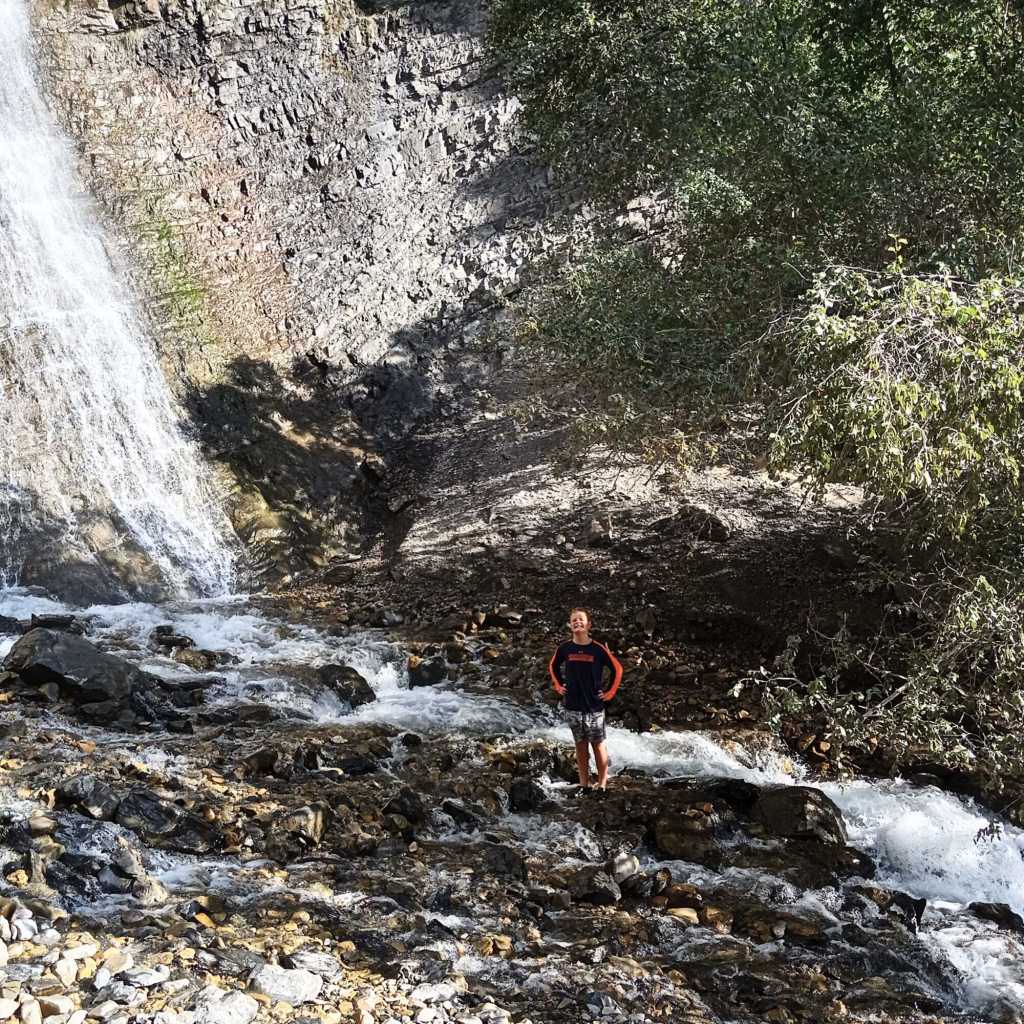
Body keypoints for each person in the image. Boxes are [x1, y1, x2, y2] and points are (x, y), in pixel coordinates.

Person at [548, 607, 623, 795]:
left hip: (594, 706)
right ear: (570, 625)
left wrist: (610, 693)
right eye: (574, 620)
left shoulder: (598, 649)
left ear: (588, 624)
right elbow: (553, 666)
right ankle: (584, 784)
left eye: (581, 619)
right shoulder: (565, 648)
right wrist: (558, 685)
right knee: (580, 746)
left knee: (598, 745)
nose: (577, 622)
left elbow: (618, 669)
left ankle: (602, 784)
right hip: (573, 705)